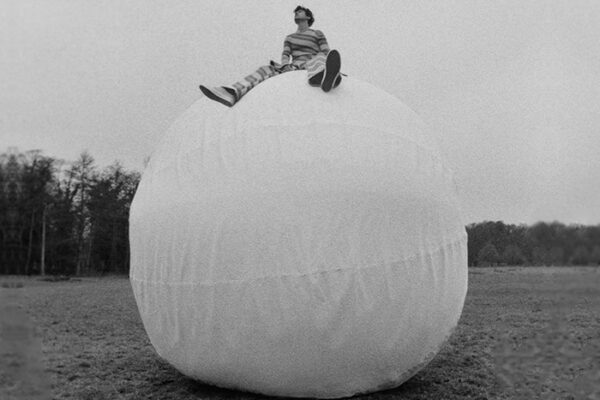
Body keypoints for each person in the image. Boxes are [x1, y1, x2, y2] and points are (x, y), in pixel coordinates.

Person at [200, 6, 343, 107]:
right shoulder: (290, 37)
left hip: (313, 61)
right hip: (295, 65)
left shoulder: (317, 33)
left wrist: (325, 61)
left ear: (308, 17)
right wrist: (285, 65)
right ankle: (232, 92)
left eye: (299, 12)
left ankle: (323, 76)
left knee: (319, 58)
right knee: (264, 69)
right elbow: (286, 53)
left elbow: (326, 51)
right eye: (296, 13)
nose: (296, 14)